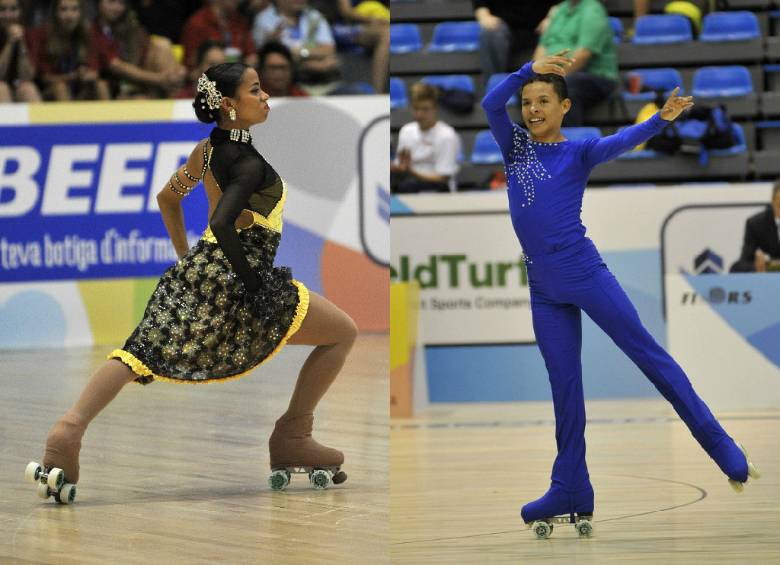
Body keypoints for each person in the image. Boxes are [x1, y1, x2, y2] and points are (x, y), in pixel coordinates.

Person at [39, 61, 358, 495]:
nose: (265, 96)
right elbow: (224, 223)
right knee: (342, 332)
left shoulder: (206, 151)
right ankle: (293, 435)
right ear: (228, 103)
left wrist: (186, 259)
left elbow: (168, 198)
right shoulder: (247, 165)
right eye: (255, 89)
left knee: (140, 352)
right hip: (237, 276)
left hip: (199, 271)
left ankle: (67, 430)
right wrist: (253, 284)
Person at [481, 51, 760, 530]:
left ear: (564, 107)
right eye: (527, 102)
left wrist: (659, 120)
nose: (532, 110)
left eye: (543, 101)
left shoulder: (579, 151)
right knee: (565, 389)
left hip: (584, 273)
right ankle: (570, 486)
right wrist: (527, 72)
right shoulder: (516, 149)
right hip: (543, 289)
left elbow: (622, 140)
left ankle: (722, 447)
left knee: (648, 355)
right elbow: (491, 103)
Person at [533, 0, 618, 127]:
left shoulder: (593, 10)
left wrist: (552, 78)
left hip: (593, 74)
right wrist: (537, 75)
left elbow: (583, 54)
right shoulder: (559, 10)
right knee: (526, 86)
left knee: (564, 87)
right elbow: (541, 48)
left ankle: (570, 137)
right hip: (555, 75)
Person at [94, 0, 186, 99]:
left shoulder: (130, 23)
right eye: (111, 2)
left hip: (144, 76)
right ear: (98, 3)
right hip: (117, 82)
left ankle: (175, 97)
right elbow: (116, 66)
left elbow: (144, 50)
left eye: (121, 3)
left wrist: (179, 71)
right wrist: (159, 78)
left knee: (162, 45)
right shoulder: (95, 29)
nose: (117, 7)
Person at [26, 0, 110, 100]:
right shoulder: (42, 35)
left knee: (101, 85)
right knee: (60, 87)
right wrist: (72, 76)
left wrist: (87, 74)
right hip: (50, 92)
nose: (69, 15)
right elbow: (44, 78)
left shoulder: (89, 33)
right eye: (63, 9)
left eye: (74, 9)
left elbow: (95, 71)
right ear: (55, 13)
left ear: (81, 13)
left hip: (79, 89)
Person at [252, 0, 340, 88]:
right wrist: (308, 63)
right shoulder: (264, 19)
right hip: (281, 82)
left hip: (317, 77)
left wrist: (301, 53)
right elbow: (271, 57)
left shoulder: (314, 16)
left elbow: (328, 49)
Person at [391, 82, 461, 193]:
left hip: (440, 190)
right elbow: (401, 164)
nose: (419, 114)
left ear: (435, 109)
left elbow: (443, 178)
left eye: (425, 109)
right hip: (410, 186)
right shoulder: (406, 131)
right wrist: (397, 168)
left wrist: (411, 172)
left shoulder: (447, 135)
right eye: (416, 109)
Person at [473, 0, 557, 88]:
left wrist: (552, 18)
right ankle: (494, 89)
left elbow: (560, 4)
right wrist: (483, 15)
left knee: (556, 30)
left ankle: (548, 89)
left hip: (540, 29)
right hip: (502, 28)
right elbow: (480, 5)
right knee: (490, 33)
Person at [181, 0, 258, 72]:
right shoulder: (197, 24)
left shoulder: (240, 21)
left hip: (237, 76)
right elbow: (190, 66)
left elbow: (251, 55)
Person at [730, 181, 780, 273]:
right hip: (767, 278)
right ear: (773, 202)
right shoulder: (756, 224)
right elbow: (741, 265)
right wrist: (757, 267)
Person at [0, 0, 40, 101]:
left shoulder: (30, 35)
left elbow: (28, 75)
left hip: (18, 85)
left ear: (21, 11)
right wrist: (10, 43)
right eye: (2, 9)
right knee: (2, 88)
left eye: (13, 9)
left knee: (28, 89)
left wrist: (21, 43)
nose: (8, 15)